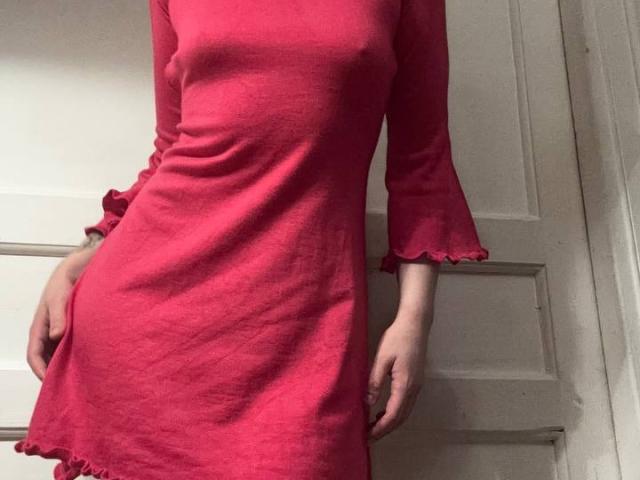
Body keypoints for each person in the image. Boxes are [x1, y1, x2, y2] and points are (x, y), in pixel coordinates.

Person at [14, 0, 489, 478]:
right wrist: (86, 253)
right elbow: (171, 145)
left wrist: (415, 320)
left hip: (303, 329)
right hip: (153, 326)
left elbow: (421, 159)